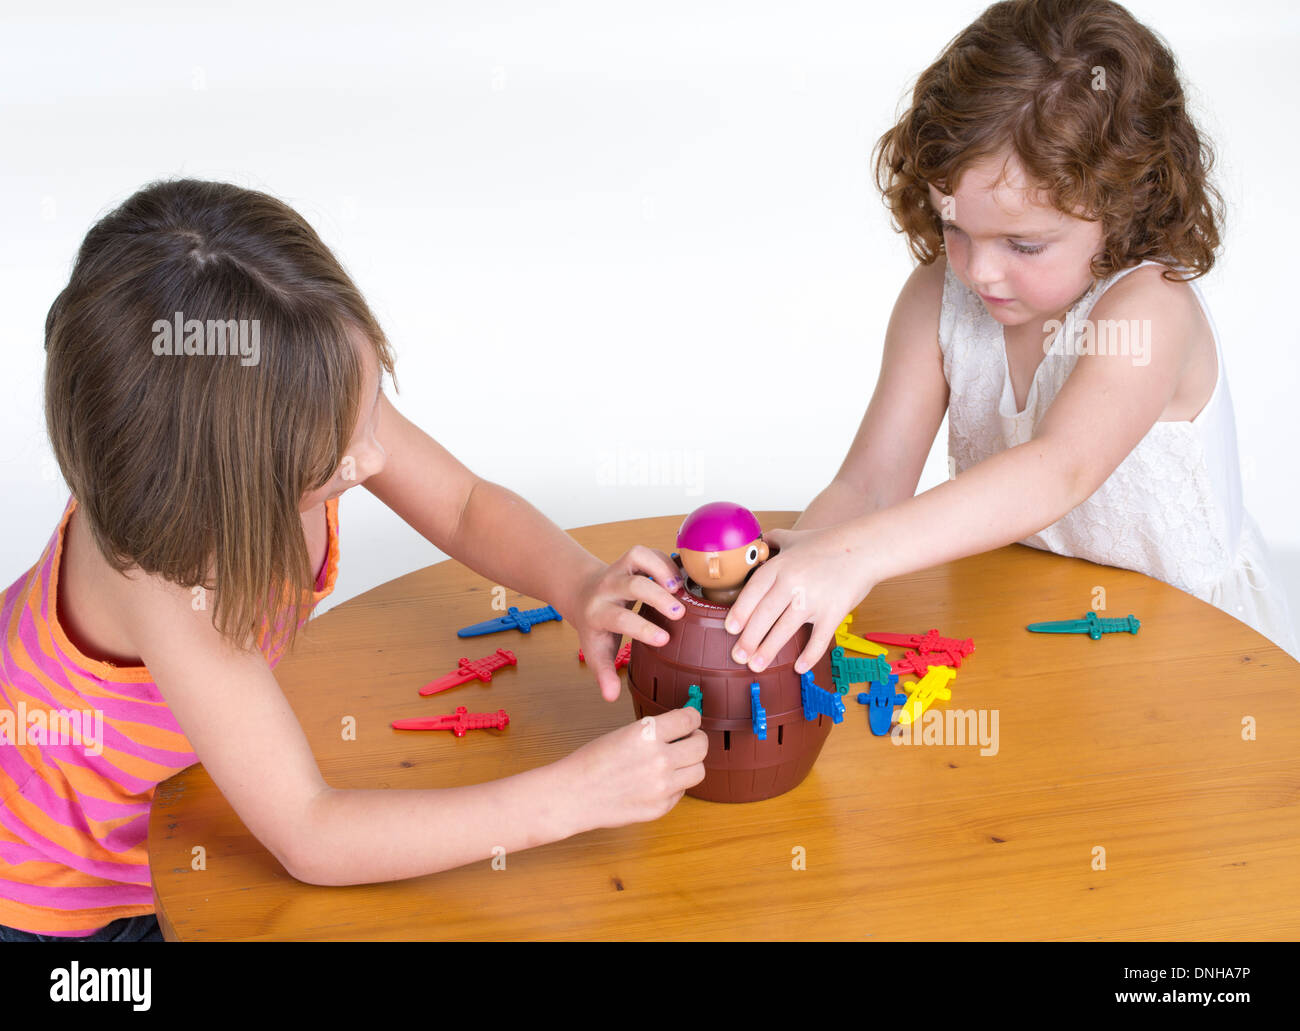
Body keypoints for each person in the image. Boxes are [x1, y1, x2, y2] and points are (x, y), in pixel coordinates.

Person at [0, 177, 706, 939]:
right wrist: (566, 800)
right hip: (68, 889)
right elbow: (309, 831)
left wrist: (579, 582)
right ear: (232, 486)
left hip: (185, 785)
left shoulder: (305, 401)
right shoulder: (172, 591)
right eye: (340, 449)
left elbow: (463, 502)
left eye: (368, 405)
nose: (372, 457)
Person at [724, 0, 1298, 673]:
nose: (980, 270)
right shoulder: (937, 301)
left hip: (1188, 653)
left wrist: (855, 555)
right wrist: (793, 578)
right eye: (956, 229)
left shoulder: (1149, 310)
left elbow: (1061, 469)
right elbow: (869, 488)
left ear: (1123, 205)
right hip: (1032, 629)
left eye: (1024, 245)